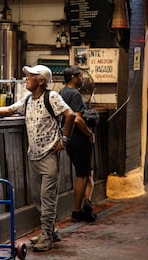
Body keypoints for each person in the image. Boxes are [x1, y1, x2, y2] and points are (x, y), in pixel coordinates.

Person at [0, 65, 76, 251]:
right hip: (33, 156)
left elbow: (70, 115)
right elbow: (8, 110)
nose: (26, 79)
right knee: (38, 198)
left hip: (49, 155)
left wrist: (64, 139)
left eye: (30, 76)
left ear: (41, 81)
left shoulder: (52, 97)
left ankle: (47, 237)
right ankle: (51, 230)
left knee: (47, 198)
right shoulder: (29, 99)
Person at [59, 65, 97, 223]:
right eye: (81, 76)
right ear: (74, 77)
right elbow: (77, 118)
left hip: (68, 138)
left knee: (87, 172)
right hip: (79, 139)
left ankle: (87, 203)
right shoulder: (74, 94)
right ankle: (77, 210)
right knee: (82, 175)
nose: (83, 79)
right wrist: (89, 133)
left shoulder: (61, 92)